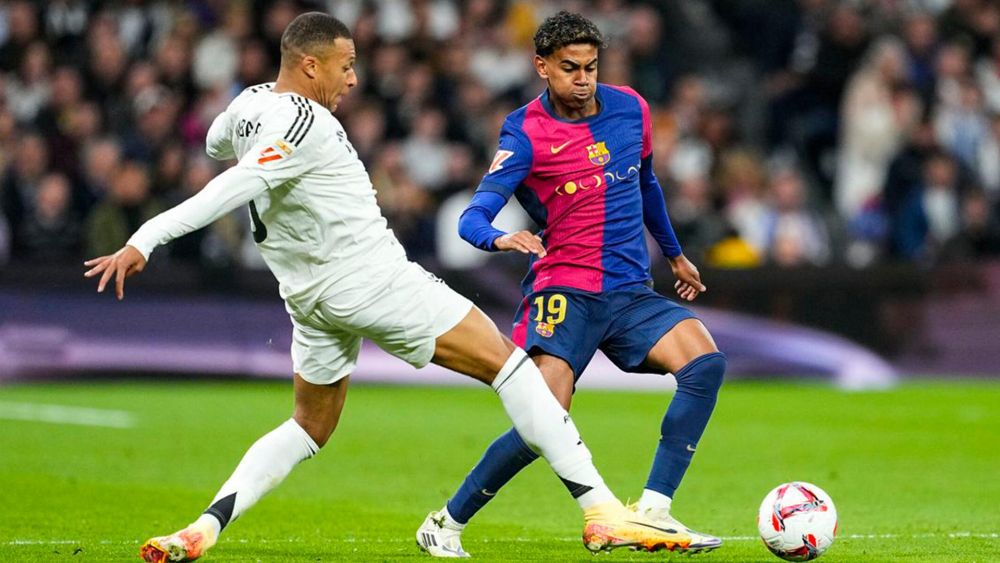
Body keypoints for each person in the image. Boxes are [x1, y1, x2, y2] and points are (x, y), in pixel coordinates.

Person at [82, 13, 686, 563]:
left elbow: (217, 142)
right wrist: (146, 239)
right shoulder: (304, 120)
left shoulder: (249, 105)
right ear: (310, 65)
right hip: (369, 278)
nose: (351, 80)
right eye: (345, 66)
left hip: (308, 300)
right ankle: (603, 512)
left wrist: (244, 137)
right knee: (513, 369)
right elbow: (231, 186)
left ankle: (204, 528)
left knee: (307, 427)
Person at [415, 11, 725, 558]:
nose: (583, 79)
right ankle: (445, 522)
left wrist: (675, 255)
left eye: (591, 67)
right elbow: (473, 215)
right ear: (542, 67)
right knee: (544, 419)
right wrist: (499, 239)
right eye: (570, 68)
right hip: (566, 290)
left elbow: (647, 183)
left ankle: (652, 509)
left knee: (705, 363)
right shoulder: (525, 132)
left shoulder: (631, 108)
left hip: (630, 288)